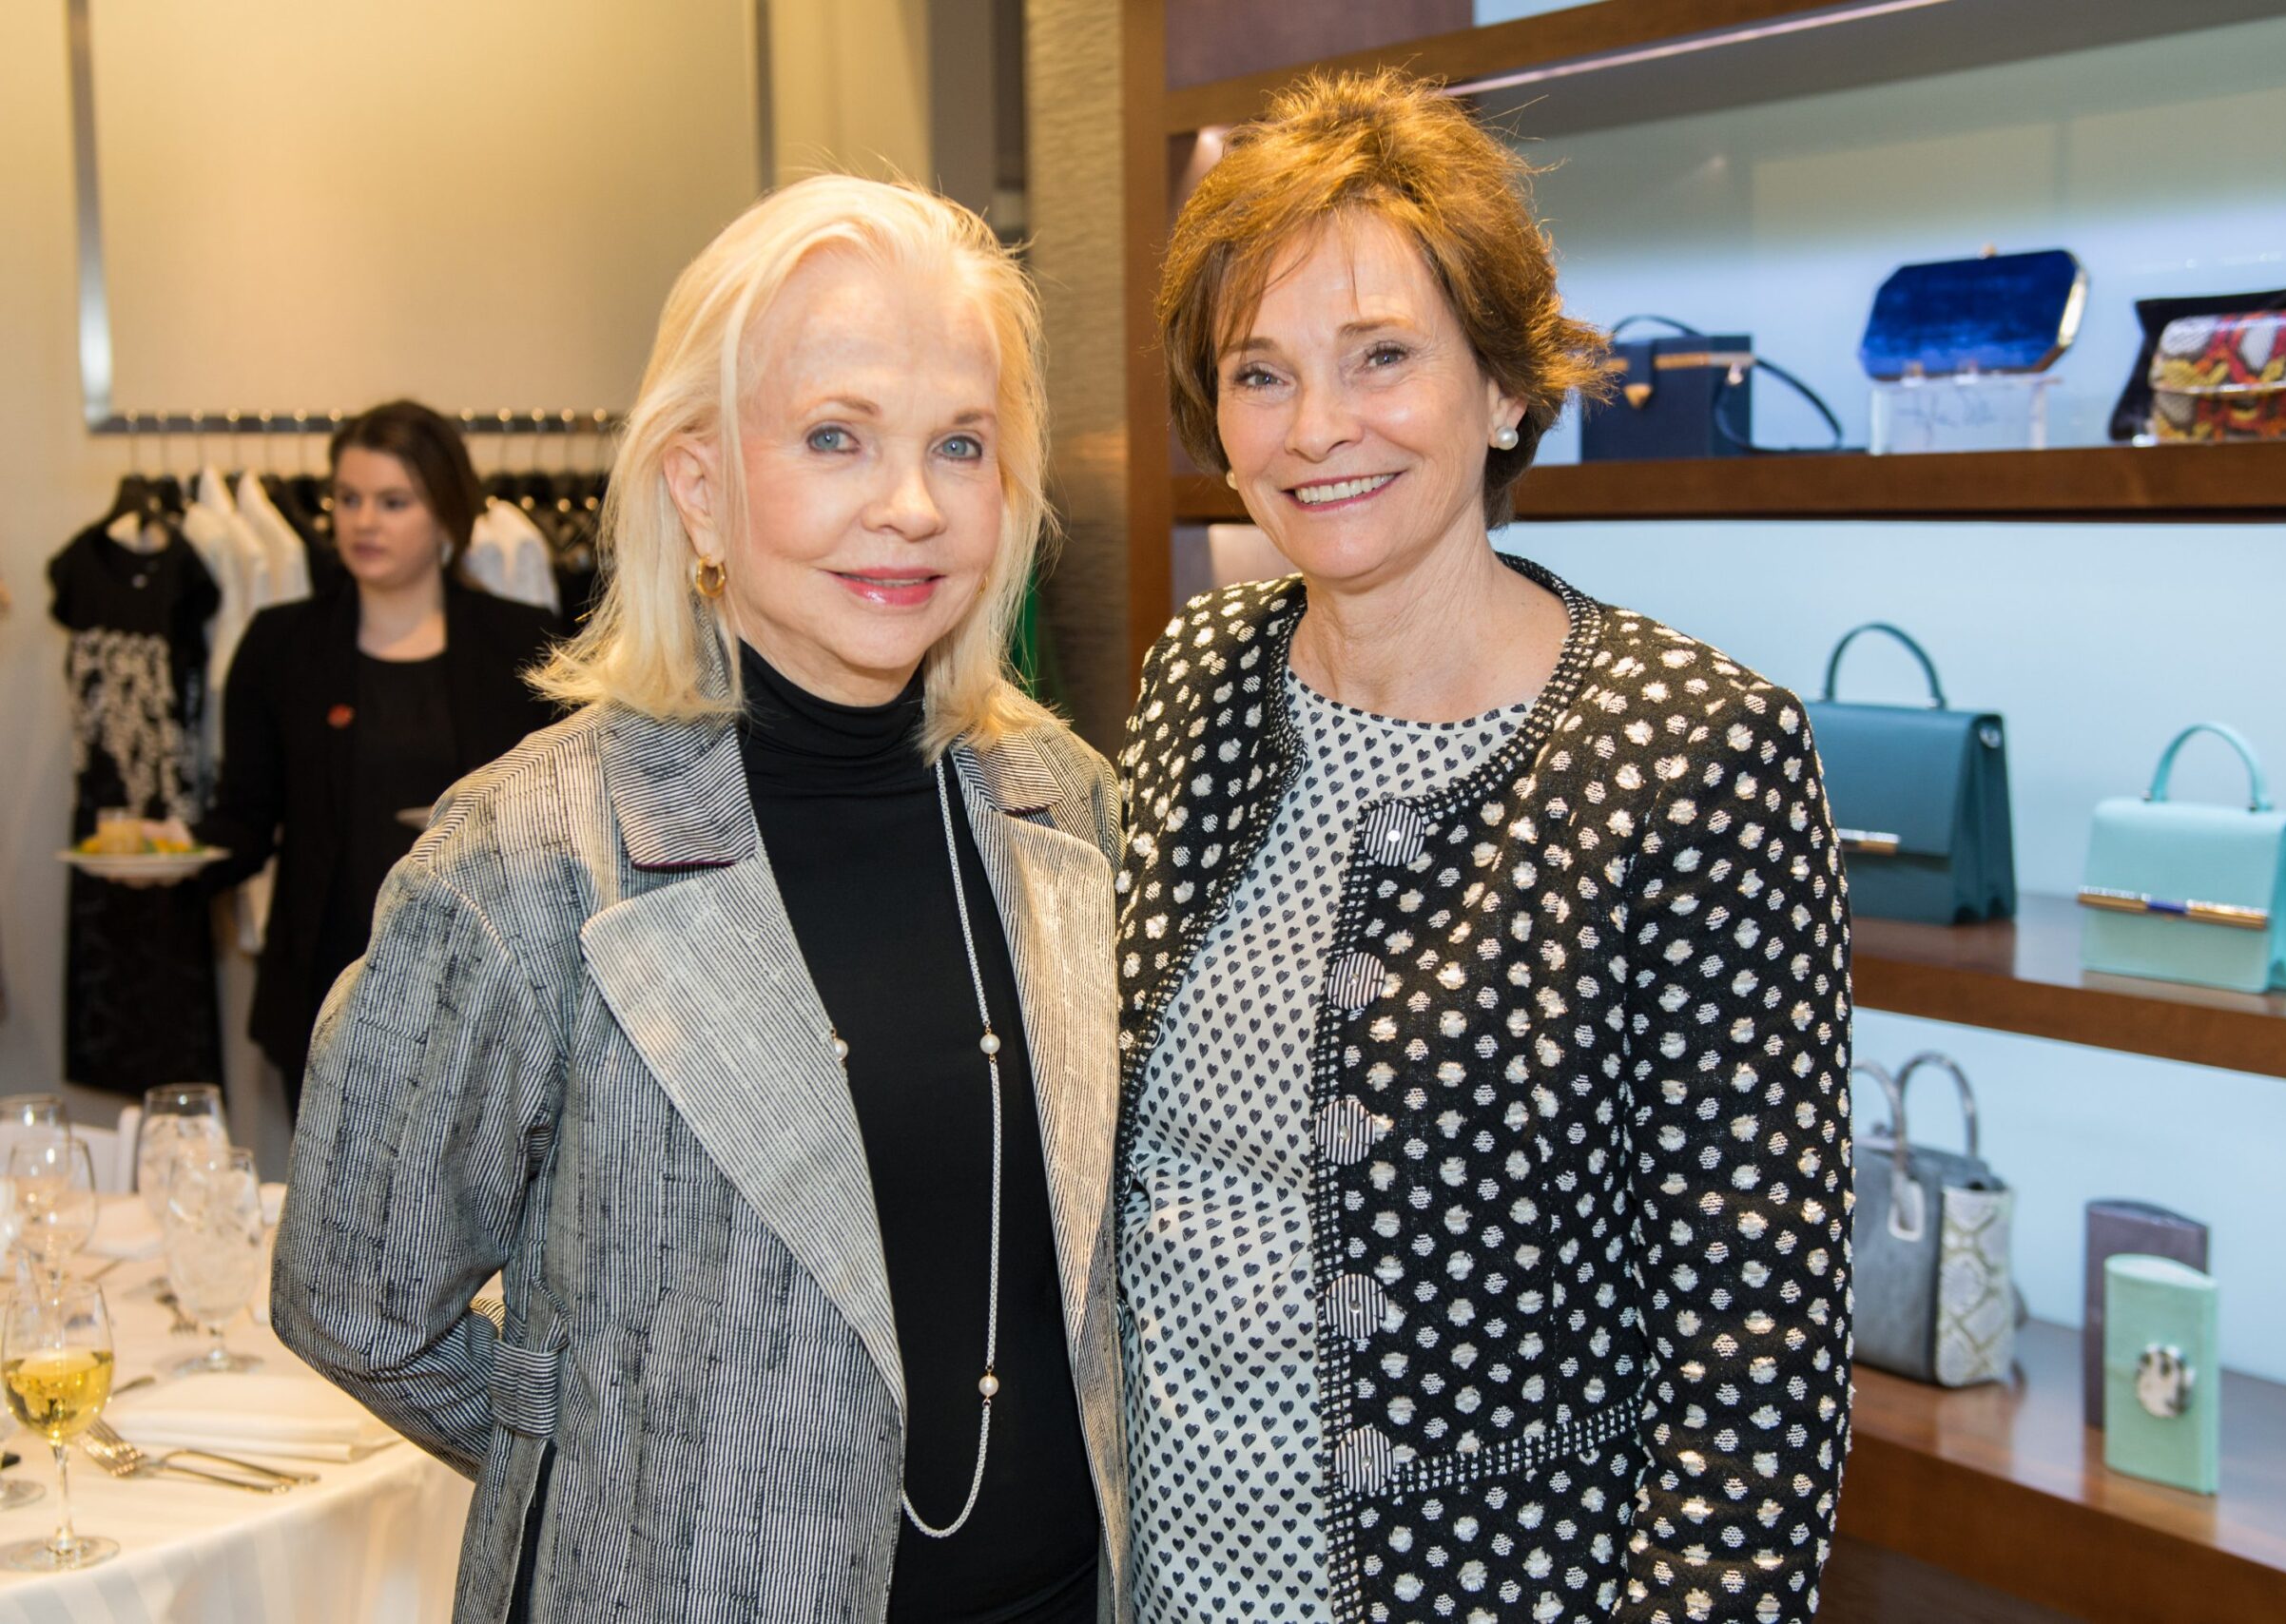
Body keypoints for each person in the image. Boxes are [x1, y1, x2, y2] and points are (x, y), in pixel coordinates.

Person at [270, 176, 1125, 1624]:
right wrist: (640, 1477)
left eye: (961, 443)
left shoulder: (1062, 803)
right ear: (700, 484)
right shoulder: (528, 860)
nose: (911, 507)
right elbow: (356, 1298)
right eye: (836, 436)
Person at [1114, 69, 1855, 1623]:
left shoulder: (1690, 752)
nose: (1319, 427)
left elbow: (1757, 1372)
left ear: (1506, 386)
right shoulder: (1198, 673)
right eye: (1260, 374)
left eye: (1381, 355)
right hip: (1163, 1578)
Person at [178, 400, 559, 1118]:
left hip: (487, 993)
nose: (363, 522)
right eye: (347, 499)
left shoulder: (523, 646)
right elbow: (245, 820)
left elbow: (562, 816)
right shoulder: (281, 645)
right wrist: (169, 856)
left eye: (392, 502)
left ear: (445, 514)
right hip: (329, 986)